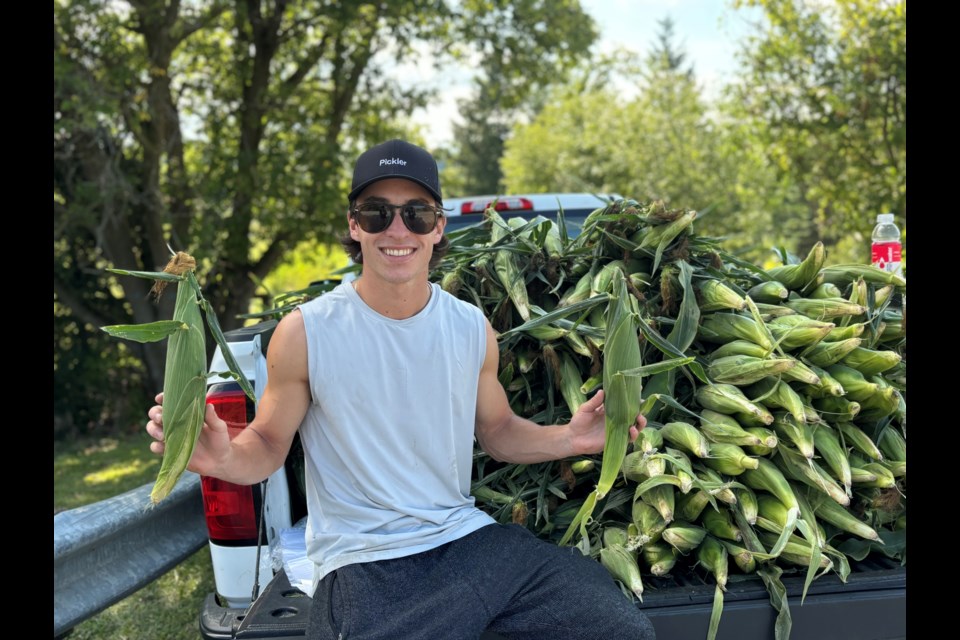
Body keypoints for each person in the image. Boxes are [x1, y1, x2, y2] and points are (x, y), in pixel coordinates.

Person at [146, 139, 656, 640]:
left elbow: (498, 431)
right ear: (354, 225)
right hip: (366, 563)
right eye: (376, 213)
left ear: (437, 227)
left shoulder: (469, 327)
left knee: (619, 628)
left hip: (466, 539)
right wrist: (221, 459)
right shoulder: (307, 331)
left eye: (415, 213)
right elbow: (266, 446)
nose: (396, 229)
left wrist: (573, 437)